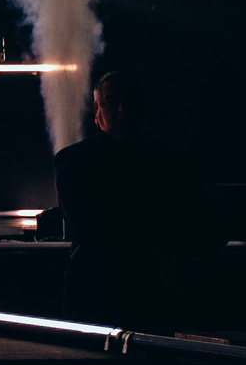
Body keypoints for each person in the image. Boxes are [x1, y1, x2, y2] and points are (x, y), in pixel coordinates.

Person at [53, 70, 220, 328]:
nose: (122, 109)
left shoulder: (75, 161)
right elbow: (92, 233)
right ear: (97, 110)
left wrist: (188, 261)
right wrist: (180, 261)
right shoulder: (174, 163)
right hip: (114, 294)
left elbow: (209, 226)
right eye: (113, 102)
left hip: (126, 294)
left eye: (130, 102)